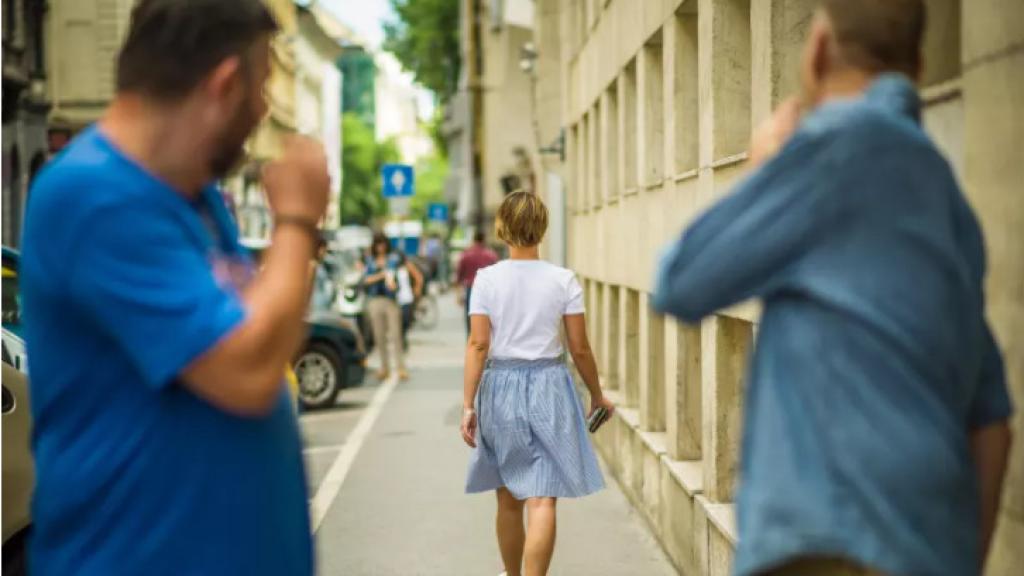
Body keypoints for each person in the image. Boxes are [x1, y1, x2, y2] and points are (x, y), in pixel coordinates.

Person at [652, 2, 1013, 575]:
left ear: (817, 49)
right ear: (917, 66)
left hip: (830, 541)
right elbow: (992, 422)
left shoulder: (830, 148)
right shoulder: (942, 189)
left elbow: (681, 280)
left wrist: (763, 168)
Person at [20, 1, 326, 574]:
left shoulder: (193, 194)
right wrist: (297, 221)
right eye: (261, 85)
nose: (264, 109)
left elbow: (265, 335)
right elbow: (248, 371)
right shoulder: (94, 194)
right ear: (225, 84)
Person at [461, 191, 615, 576]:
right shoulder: (563, 280)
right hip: (550, 386)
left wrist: (468, 404)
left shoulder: (486, 280)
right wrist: (597, 395)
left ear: (502, 228)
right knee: (542, 499)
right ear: (542, 228)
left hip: (500, 388)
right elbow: (579, 348)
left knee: (508, 497)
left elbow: (478, 344)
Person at [363, 233, 408, 381]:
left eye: (382, 244)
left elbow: (399, 277)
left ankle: (401, 367)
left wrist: (394, 284)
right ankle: (384, 367)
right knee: (379, 335)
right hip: (375, 300)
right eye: (378, 244)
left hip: (391, 300)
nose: (380, 247)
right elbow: (366, 280)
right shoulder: (370, 261)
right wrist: (381, 275)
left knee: (396, 334)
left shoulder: (393, 259)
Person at [457, 230, 499, 334]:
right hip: (488, 290)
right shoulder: (491, 255)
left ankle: (471, 340)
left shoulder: (466, 255)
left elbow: (459, 277)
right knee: (488, 320)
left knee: (471, 319)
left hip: (471, 289)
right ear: (484, 240)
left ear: (473, 240)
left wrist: (458, 295)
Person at [395, 251, 424, 351]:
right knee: (398, 321)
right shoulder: (392, 267)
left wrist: (417, 289)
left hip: (407, 297)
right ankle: (401, 340)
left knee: (406, 320)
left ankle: (403, 337)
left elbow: (418, 277)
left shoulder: (408, 266)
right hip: (396, 299)